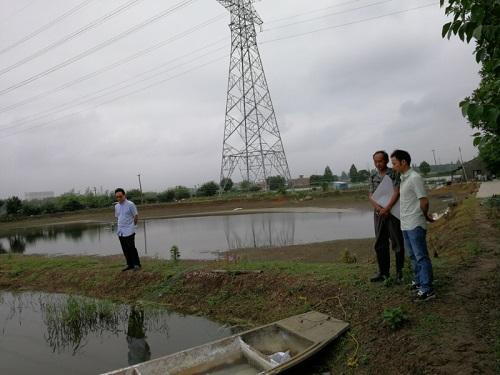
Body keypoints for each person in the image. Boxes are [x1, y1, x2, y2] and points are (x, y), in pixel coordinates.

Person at [390, 150, 435, 302]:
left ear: (403, 162)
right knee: (413, 256)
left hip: (415, 222)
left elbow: (424, 200)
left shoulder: (415, 178)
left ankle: (427, 289)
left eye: (394, 163)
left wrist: (426, 215)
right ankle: (419, 281)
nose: (393, 166)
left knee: (421, 256)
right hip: (406, 223)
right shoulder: (403, 179)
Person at [368, 150, 405, 284]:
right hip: (379, 214)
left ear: (386, 161)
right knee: (380, 243)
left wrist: (387, 208)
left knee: (397, 242)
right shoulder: (372, 175)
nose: (378, 164)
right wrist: (379, 209)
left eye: (381, 161)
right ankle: (383, 272)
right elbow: (370, 194)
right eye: (375, 161)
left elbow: (397, 191)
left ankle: (400, 273)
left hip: (393, 213)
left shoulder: (394, 173)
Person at [115, 188, 141, 271]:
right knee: (125, 248)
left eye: (120, 196)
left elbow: (136, 216)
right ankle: (129, 264)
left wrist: (133, 226)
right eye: (117, 197)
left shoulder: (130, 204)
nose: (119, 198)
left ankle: (137, 264)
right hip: (120, 231)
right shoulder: (116, 206)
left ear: (124, 195)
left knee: (131, 247)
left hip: (129, 230)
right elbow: (117, 217)